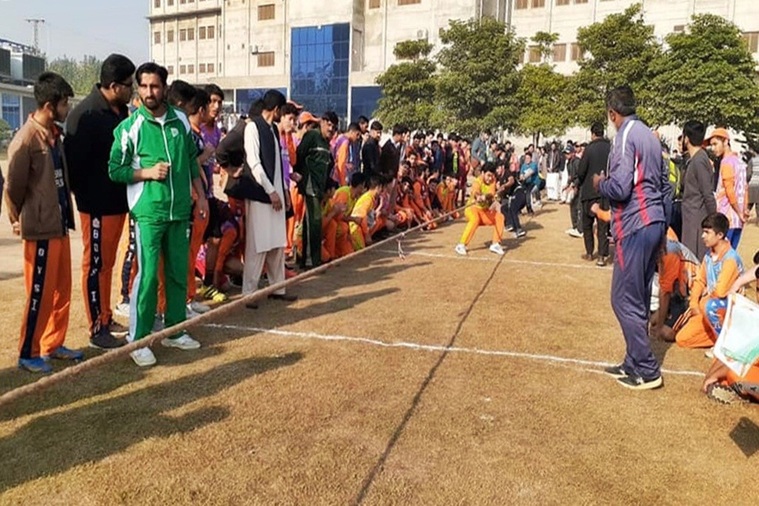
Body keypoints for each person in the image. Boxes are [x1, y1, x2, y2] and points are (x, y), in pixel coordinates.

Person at [108, 62, 208, 367]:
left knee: (178, 272)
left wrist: (201, 195)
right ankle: (138, 339)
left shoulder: (180, 120)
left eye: (155, 86)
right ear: (138, 89)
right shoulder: (129, 128)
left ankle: (174, 330)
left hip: (179, 212)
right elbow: (115, 170)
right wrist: (146, 173)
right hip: (149, 213)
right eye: (144, 86)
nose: (149, 92)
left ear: (164, 88)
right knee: (149, 276)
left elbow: (191, 161)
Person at [593, 85, 671, 390]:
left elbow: (621, 187)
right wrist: (662, 229)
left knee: (622, 299)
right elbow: (665, 185)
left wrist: (601, 183)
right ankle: (632, 362)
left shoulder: (625, 136)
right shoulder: (650, 136)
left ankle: (647, 369)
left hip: (635, 224)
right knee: (637, 297)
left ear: (612, 113)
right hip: (653, 222)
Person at [4, 72, 80, 373]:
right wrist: (17, 219)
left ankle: (53, 343)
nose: (67, 109)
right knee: (40, 293)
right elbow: (13, 187)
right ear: (49, 106)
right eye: (64, 104)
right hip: (40, 230)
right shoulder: (25, 140)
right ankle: (28, 351)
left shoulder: (55, 135)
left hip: (58, 224)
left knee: (62, 289)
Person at [64, 54, 135, 349]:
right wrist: (89, 198)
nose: (133, 90)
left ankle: (105, 316)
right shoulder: (85, 115)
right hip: (96, 206)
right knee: (95, 265)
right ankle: (97, 329)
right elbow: (73, 167)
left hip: (117, 203)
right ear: (114, 86)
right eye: (129, 85)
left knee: (107, 264)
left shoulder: (120, 112)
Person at [240, 90, 297, 308]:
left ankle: (277, 288)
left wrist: (283, 191)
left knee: (277, 244)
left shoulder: (273, 128)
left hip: (276, 195)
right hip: (260, 194)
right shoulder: (252, 127)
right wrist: (270, 191)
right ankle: (249, 293)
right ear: (276, 109)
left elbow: (278, 165)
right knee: (258, 245)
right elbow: (254, 163)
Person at [674, 213, 743, 349]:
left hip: (725, 308)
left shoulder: (730, 259)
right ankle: (725, 335)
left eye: (707, 232)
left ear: (720, 235)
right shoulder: (708, 256)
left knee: (709, 305)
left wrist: (701, 303)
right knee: (682, 339)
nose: (702, 236)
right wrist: (694, 303)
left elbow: (720, 292)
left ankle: (724, 343)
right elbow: (700, 281)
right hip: (708, 308)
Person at [295, 111, 338, 269]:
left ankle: (307, 259)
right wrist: (301, 177)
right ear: (322, 122)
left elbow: (328, 166)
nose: (331, 130)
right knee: (314, 221)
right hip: (310, 185)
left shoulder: (327, 144)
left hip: (319, 188)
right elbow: (299, 156)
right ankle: (310, 260)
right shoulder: (312, 136)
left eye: (334, 128)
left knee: (312, 221)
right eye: (329, 125)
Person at [575, 122, 611, 266]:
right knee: (603, 225)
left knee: (587, 224)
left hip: (589, 192)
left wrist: (578, 183)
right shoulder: (611, 148)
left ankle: (590, 253)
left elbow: (581, 171)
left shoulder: (589, 149)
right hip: (605, 192)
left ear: (593, 134)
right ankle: (601, 256)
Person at [681, 120, 717, 260]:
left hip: (696, 219)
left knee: (694, 259)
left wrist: (714, 221)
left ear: (686, 138)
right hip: (691, 217)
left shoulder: (699, 160)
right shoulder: (695, 159)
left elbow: (707, 193)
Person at [708, 128, 748, 249]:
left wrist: (739, 212)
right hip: (738, 220)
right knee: (732, 252)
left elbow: (729, 190)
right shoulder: (740, 162)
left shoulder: (726, 162)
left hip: (726, 217)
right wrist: (744, 211)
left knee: (722, 253)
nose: (713, 148)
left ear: (725, 141)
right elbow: (745, 188)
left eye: (715, 144)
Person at [455, 163, 505, 256]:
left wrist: (485, 197)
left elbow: (491, 194)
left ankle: (495, 244)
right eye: (488, 175)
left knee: (499, 217)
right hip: (472, 209)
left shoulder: (493, 181)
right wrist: (478, 196)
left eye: (492, 176)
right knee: (475, 219)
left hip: (484, 211)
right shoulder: (477, 181)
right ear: (482, 173)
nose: (490, 178)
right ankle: (461, 244)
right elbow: (476, 192)